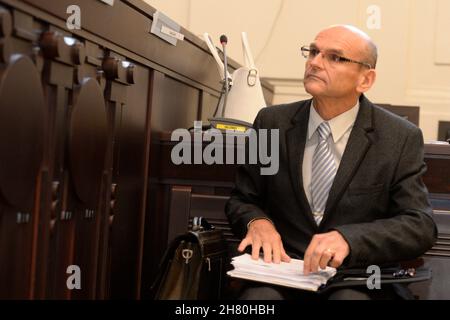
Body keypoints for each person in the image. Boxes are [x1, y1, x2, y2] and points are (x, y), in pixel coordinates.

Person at [225, 25, 437, 300]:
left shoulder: (399, 137)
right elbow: (242, 199)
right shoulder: (271, 123)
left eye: (334, 57)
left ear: (366, 79)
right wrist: (257, 221)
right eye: (313, 52)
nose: (314, 62)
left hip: (357, 277)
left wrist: (349, 238)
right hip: (281, 275)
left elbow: (419, 225)